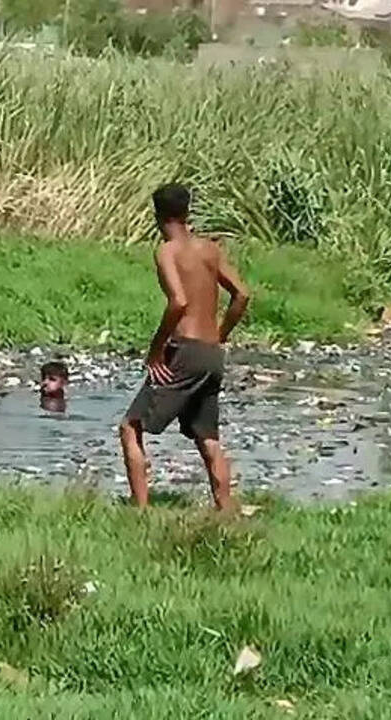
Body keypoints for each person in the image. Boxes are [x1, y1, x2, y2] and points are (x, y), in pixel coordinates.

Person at [118, 183, 250, 512]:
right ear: (187, 211)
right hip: (211, 353)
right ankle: (226, 509)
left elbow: (178, 302)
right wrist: (221, 334)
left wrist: (156, 350)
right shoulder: (210, 249)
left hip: (185, 350)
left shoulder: (167, 251)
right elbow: (242, 295)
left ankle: (140, 511)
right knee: (208, 437)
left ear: (157, 216)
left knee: (130, 427)